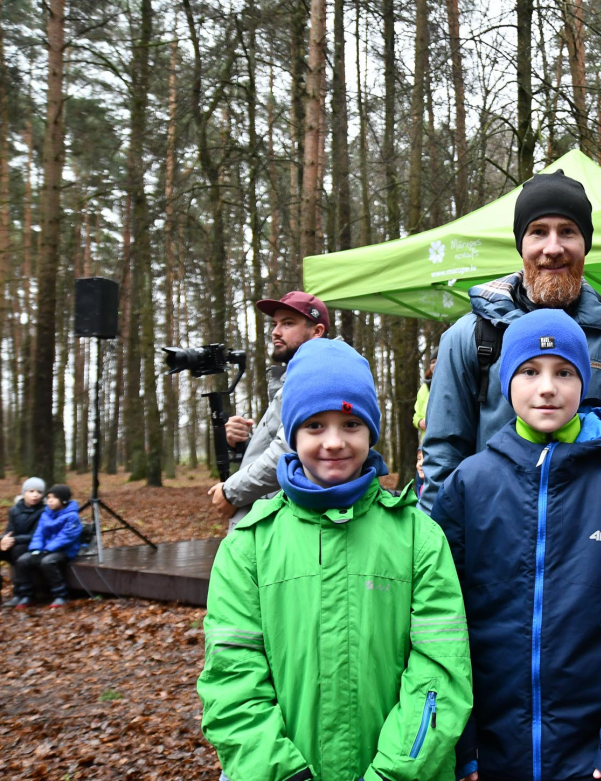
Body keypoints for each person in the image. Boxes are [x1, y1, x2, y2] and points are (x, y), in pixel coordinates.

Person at [198, 338, 473, 781]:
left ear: (370, 432)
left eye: (350, 424)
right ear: (291, 435)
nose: (333, 443)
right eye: (314, 426)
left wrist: (392, 774)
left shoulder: (418, 538)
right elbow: (232, 681)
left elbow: (440, 673)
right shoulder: (247, 546)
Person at [431, 309, 601, 781]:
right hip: (490, 757)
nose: (547, 387)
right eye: (529, 371)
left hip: (592, 757)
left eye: (564, 372)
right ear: (506, 381)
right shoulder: (470, 484)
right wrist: (460, 746)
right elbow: (441, 624)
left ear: (584, 380)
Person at [418, 169, 601, 513]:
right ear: (521, 245)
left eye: (568, 231)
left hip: (594, 549)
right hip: (494, 544)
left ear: (586, 245)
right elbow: (442, 460)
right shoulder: (470, 337)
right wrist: (440, 556)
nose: (553, 248)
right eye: (538, 232)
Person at [207, 291, 329, 527]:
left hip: (289, 525)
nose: (275, 331)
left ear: (317, 332)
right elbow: (288, 439)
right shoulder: (295, 377)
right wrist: (245, 440)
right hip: (273, 522)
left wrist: (231, 492)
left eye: (288, 323)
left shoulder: (317, 374)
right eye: (275, 324)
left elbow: (289, 450)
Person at [15, 484, 83, 609]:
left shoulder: (72, 516)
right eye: (48, 497)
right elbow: (39, 534)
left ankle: (60, 594)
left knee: (48, 562)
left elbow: (66, 537)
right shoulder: (45, 514)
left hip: (65, 550)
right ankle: (27, 594)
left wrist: (48, 549)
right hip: (45, 548)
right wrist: (36, 549)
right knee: (23, 560)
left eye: (54, 498)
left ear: (63, 500)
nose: (49, 501)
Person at [2, 477, 46, 606]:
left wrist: (14, 540)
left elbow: (36, 535)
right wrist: (3, 540)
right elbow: (10, 530)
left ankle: (24, 593)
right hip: (16, 542)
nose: (35, 495)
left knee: (17, 551)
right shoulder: (15, 510)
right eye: (31, 491)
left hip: (34, 545)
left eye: (39, 492)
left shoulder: (43, 511)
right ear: (24, 492)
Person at [414, 347, 437, 443]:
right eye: (433, 362)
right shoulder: (424, 388)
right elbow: (416, 415)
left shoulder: (452, 384)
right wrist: (419, 422)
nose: (435, 365)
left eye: (438, 361)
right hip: (426, 442)